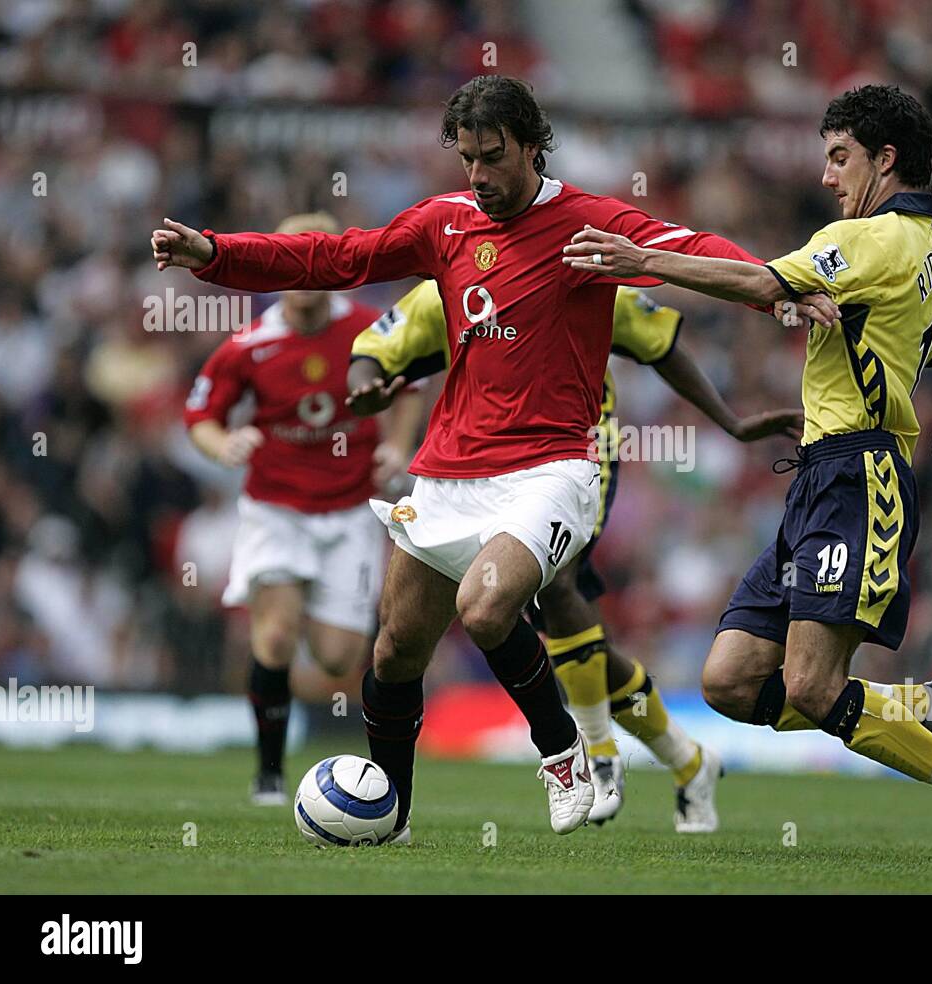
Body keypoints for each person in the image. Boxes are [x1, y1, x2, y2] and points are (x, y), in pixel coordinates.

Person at [151, 74, 837, 839]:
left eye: (493, 157)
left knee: (486, 607)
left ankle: (563, 752)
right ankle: (393, 817)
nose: (479, 176)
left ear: (533, 147)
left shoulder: (588, 223)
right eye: (468, 159)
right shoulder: (445, 223)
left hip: (553, 468)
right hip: (449, 469)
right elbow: (335, 258)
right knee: (395, 652)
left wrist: (779, 288)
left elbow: (694, 249)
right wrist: (215, 253)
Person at [563, 84, 932, 862]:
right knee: (730, 682)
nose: (827, 175)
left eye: (839, 157)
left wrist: (641, 260)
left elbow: (760, 284)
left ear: (887, 160)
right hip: (819, 477)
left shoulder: (870, 242)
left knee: (811, 685)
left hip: (861, 476)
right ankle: (925, 706)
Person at [346, 279, 803, 830]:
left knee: (554, 588)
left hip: (575, 453)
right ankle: (686, 758)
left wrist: (730, 421)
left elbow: (660, 343)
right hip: (470, 465)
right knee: (534, 621)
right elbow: (374, 350)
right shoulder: (449, 280)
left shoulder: (581, 274)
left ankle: (596, 753)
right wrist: (366, 387)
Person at [183, 211, 424, 805]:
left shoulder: (370, 330)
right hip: (276, 510)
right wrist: (225, 445)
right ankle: (268, 775)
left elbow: (409, 388)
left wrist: (396, 445)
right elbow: (200, 416)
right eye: (290, 261)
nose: (303, 276)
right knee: (275, 636)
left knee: (340, 657)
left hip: (347, 513)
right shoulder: (251, 345)